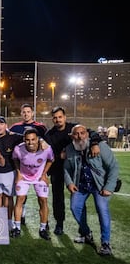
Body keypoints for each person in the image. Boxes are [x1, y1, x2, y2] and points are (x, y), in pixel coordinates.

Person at [44, 106, 101, 236]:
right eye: (55, 118)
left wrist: (95, 143)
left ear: (65, 117)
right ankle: (59, 224)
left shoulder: (75, 128)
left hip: (76, 169)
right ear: (52, 119)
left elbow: (92, 133)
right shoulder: (49, 135)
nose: (58, 120)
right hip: (57, 169)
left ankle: (82, 227)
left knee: (79, 197)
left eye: (60, 117)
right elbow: (47, 154)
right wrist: (59, 156)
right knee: (58, 198)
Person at [64, 125, 119, 256]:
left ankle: (105, 243)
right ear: (72, 136)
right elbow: (66, 168)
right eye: (76, 134)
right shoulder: (69, 149)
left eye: (83, 133)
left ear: (87, 135)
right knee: (75, 207)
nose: (80, 136)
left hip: (100, 186)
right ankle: (86, 233)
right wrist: (69, 183)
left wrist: (109, 187)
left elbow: (113, 167)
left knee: (102, 209)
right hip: (81, 185)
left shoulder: (100, 146)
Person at [12, 128, 54, 240]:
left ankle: (43, 229)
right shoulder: (18, 149)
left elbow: (51, 160)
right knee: (20, 199)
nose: (30, 142)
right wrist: (18, 173)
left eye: (33, 139)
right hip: (24, 177)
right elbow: (15, 159)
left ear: (38, 139)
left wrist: (44, 173)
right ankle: (17, 227)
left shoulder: (46, 149)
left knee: (43, 200)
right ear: (24, 140)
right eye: (27, 140)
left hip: (39, 177)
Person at [9, 103, 48, 224]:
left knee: (41, 197)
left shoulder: (40, 127)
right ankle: (22, 214)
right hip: (21, 166)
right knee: (21, 194)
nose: (26, 114)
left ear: (32, 113)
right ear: (21, 113)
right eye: (24, 112)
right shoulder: (15, 127)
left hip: (37, 167)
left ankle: (44, 223)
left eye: (28, 112)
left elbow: (46, 143)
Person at [0, 116, 24, 231]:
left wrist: (41, 141)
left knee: (8, 198)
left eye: (1, 124)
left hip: (10, 172)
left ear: (6, 125)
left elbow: (29, 137)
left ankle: (8, 221)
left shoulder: (13, 137)